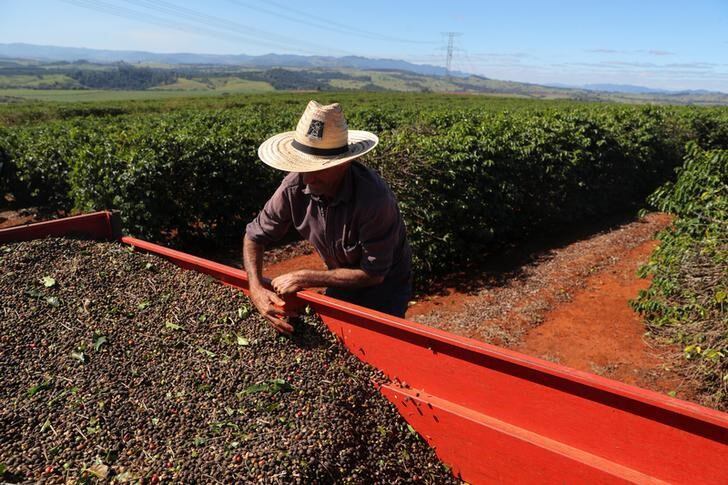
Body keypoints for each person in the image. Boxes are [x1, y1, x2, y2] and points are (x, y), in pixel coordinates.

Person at [243, 100, 412, 335]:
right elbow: (254, 236)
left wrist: (305, 276)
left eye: (319, 170)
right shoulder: (295, 185)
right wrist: (255, 286)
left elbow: (373, 275)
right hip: (340, 273)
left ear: (344, 164)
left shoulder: (373, 200)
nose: (309, 180)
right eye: (304, 168)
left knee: (377, 342)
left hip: (385, 285)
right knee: (340, 336)